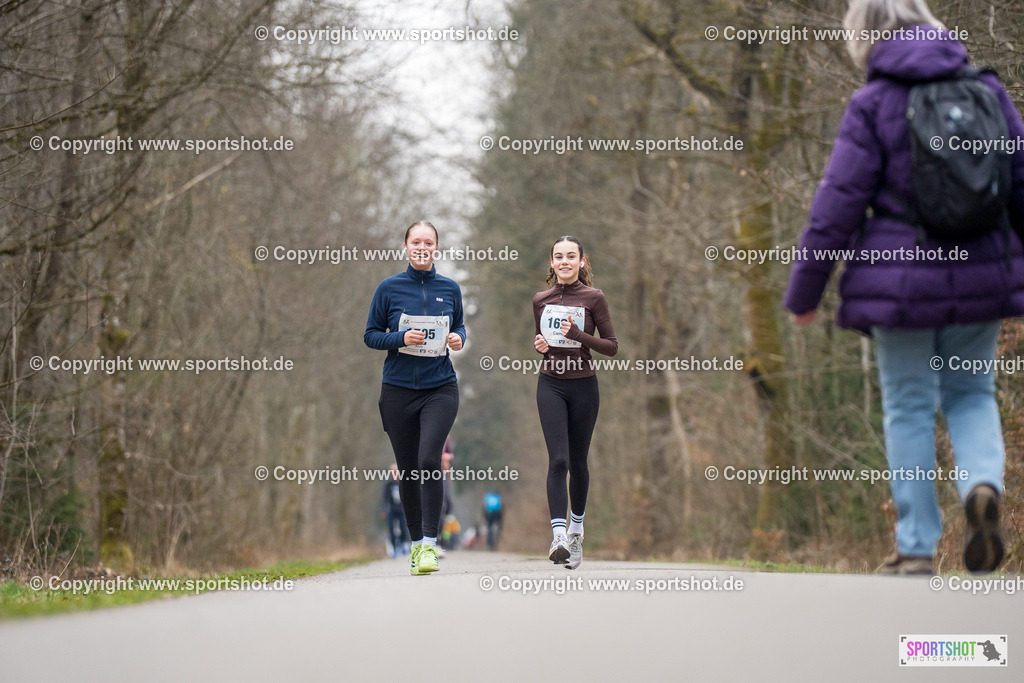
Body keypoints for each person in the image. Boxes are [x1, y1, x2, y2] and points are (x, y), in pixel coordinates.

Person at [784, 0, 1024, 575]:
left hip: (900, 286)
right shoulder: (988, 93)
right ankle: (982, 486)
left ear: (863, 36)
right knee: (972, 394)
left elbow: (836, 207)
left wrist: (805, 292)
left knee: (909, 406)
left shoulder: (873, 104)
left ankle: (916, 546)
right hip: (981, 276)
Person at [364, 220, 466, 575]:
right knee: (407, 471)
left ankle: (430, 546)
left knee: (429, 461)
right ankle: (413, 543)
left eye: (429, 242)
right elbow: (371, 335)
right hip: (397, 391)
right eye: (416, 241)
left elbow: (461, 326)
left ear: (436, 248)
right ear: (406, 246)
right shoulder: (388, 288)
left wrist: (458, 339)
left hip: (440, 388)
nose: (422, 247)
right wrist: (400, 340)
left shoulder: (450, 288)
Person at [533, 236, 618, 569]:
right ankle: (558, 537)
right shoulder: (541, 299)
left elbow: (611, 346)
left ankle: (577, 531)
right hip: (550, 383)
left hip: (584, 386)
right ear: (552, 263)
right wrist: (540, 345)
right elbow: (543, 341)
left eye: (571, 256)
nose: (564, 261)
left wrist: (578, 335)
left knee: (578, 462)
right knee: (558, 461)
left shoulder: (594, 298)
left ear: (582, 261)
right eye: (558, 256)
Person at [379, 464, 409, 557]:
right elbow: (385, 498)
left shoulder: (403, 482)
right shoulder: (388, 484)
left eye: (396, 471)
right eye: (393, 471)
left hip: (402, 509)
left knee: (403, 527)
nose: (394, 473)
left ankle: (404, 543)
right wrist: (384, 510)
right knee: (391, 528)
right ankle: (394, 548)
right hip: (392, 509)